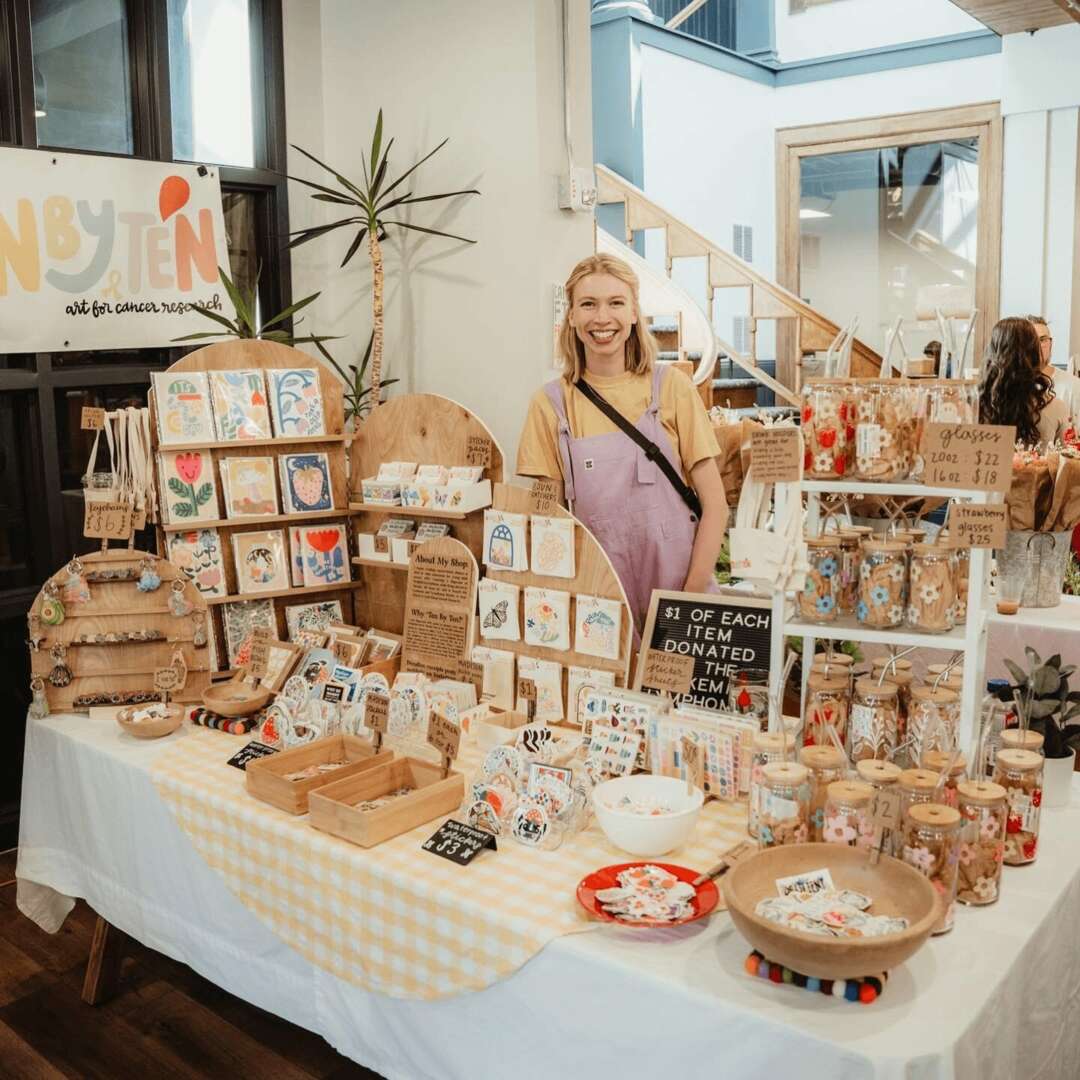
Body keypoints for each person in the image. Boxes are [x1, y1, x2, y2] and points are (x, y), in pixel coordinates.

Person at [516, 253, 728, 634]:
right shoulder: (550, 405)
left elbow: (716, 506)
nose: (602, 318)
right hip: (598, 609)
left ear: (633, 312)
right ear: (571, 316)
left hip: (683, 597)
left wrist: (687, 605)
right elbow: (549, 520)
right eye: (588, 304)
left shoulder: (672, 388)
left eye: (615, 302)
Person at [978, 317, 1069, 446]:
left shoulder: (976, 407)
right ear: (1034, 355)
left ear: (991, 353)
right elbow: (1068, 456)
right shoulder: (1056, 408)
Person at [1028, 315, 1080, 425]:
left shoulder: (1073, 386)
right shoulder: (1010, 385)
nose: (1037, 345)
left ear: (1051, 344)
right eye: (1030, 339)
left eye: (1043, 340)